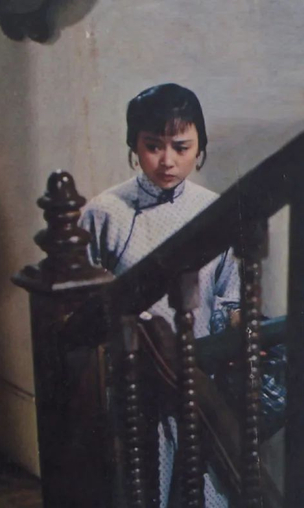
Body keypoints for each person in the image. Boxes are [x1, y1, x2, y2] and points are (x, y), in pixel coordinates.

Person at [79, 83, 240, 507]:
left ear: (200, 146)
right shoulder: (103, 213)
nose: (167, 161)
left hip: (198, 379)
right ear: (133, 145)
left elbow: (230, 297)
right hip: (131, 383)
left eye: (181, 147)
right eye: (153, 146)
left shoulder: (216, 212)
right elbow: (82, 311)